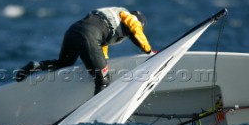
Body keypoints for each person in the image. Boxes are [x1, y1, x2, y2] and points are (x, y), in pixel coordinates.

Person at [16, 7, 152, 95]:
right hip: (89, 35)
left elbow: (101, 46)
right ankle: (97, 111)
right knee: (103, 80)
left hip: (73, 31)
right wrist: (149, 52)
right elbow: (135, 29)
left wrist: (103, 62)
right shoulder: (131, 18)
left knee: (63, 63)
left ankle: (36, 66)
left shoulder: (114, 21)